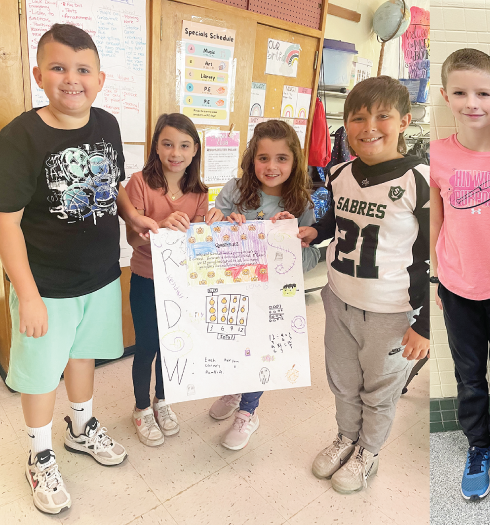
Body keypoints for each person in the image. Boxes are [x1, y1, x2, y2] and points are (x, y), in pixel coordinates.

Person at [0, 24, 157, 514]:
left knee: (84, 357)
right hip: (45, 285)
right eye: (59, 68)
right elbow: (6, 223)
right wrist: (26, 294)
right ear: (39, 74)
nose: (72, 79)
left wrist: (133, 215)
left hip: (102, 275)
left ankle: (80, 427)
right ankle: (40, 453)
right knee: (41, 374)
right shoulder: (19, 137)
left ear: (100, 78)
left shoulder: (107, 124)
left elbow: (111, 187)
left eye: (83, 69)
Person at [298, 76, 429, 494]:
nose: (369, 125)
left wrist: (423, 324)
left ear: (405, 120)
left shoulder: (419, 180)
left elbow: (431, 254)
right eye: (358, 117)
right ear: (346, 125)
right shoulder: (339, 172)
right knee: (342, 380)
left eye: (382, 115)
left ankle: (368, 450)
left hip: (391, 312)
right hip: (338, 300)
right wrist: (312, 232)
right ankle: (346, 436)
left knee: (380, 388)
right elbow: (337, 224)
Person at [430, 48, 490, 500]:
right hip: (455, 286)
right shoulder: (436, 156)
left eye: (483, 93)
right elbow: (435, 220)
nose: (473, 102)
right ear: (445, 97)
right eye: (461, 92)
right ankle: (478, 445)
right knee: (469, 375)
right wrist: (436, 275)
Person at [207, 119, 320, 450]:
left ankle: (248, 410)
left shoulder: (301, 203)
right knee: (234, 343)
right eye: (264, 158)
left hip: (273, 298)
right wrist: (225, 224)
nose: (271, 167)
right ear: (251, 159)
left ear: (294, 161)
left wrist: (292, 236)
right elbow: (211, 235)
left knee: (261, 350)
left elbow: (308, 256)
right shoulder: (235, 189)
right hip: (237, 290)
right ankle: (234, 386)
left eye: (281, 158)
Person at [126, 113, 223, 446]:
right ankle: (141, 408)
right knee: (147, 346)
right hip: (146, 279)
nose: (175, 153)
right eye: (167, 144)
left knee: (173, 348)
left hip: (182, 285)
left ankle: (162, 401)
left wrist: (212, 225)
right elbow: (133, 240)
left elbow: (196, 244)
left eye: (184, 145)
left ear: (195, 150)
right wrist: (160, 223)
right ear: (156, 146)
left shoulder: (199, 192)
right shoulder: (139, 183)